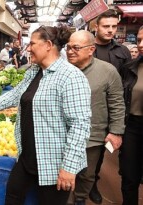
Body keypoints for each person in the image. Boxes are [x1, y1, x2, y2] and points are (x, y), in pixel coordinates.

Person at [0, 25, 91, 205]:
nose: (28, 48)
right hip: (27, 155)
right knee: (13, 197)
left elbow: (80, 125)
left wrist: (68, 168)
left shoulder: (71, 77)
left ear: (48, 45)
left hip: (53, 161)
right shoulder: (33, 72)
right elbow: (16, 94)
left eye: (32, 44)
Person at [66, 30, 125, 205]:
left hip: (92, 136)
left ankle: (80, 198)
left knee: (86, 173)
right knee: (63, 171)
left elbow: (117, 104)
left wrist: (116, 131)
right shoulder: (61, 69)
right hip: (63, 133)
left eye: (76, 48)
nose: (70, 51)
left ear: (91, 49)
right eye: (68, 47)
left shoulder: (107, 71)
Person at [90, 9, 131, 204]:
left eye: (114, 26)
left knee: (100, 150)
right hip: (89, 108)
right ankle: (83, 182)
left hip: (113, 109)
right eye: (106, 26)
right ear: (96, 27)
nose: (111, 30)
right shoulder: (85, 48)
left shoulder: (122, 52)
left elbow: (128, 82)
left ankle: (92, 183)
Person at [119, 26, 143, 205]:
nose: (140, 45)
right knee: (129, 176)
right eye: (139, 40)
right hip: (132, 127)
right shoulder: (132, 66)